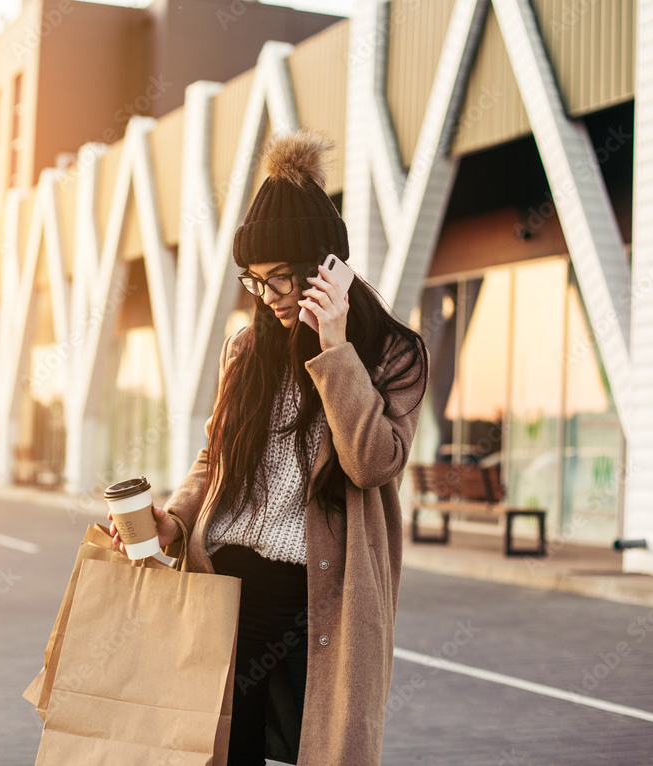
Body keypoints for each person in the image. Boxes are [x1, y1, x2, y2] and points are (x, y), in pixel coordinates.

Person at [109, 128, 428, 765]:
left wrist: (335, 349)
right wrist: (174, 519)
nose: (271, 297)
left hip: (325, 593)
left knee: (327, 747)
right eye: (255, 282)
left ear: (327, 266)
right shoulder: (248, 349)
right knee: (222, 749)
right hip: (227, 584)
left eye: (282, 278)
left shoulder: (393, 352)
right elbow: (216, 456)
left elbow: (372, 463)